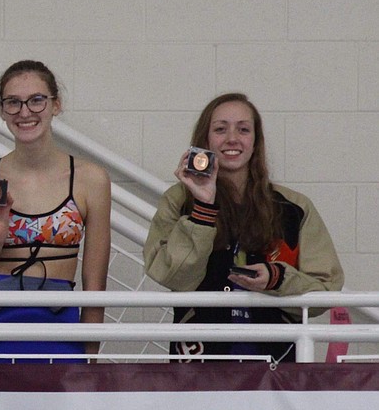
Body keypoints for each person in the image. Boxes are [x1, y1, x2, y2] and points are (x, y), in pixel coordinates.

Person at [143, 92, 344, 362]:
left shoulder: (294, 207)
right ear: (205, 138)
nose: (232, 139)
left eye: (243, 129)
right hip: (198, 360)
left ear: (255, 141)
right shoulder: (179, 200)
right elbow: (172, 277)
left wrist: (277, 278)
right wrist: (203, 205)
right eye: (220, 129)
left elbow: (326, 291)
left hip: (277, 359)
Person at [0, 60, 112, 362]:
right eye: (13, 102)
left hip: (61, 326)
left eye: (37, 100)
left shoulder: (91, 180)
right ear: (2, 110)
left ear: (56, 105)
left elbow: (96, 289)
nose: (25, 112)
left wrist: (89, 360)